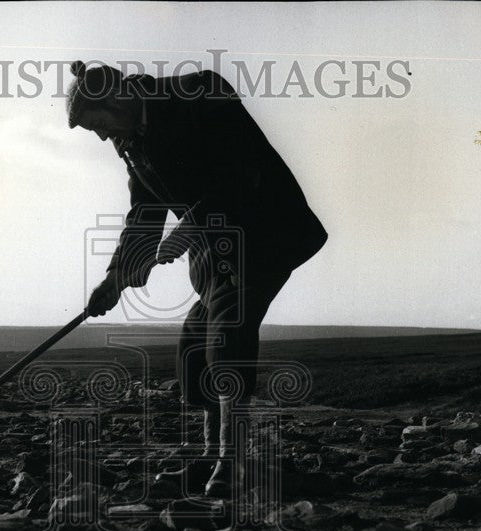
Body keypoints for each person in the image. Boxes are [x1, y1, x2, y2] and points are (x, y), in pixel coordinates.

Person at [67, 60, 327, 498]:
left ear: (118, 99)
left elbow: (244, 168)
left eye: (100, 126)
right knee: (194, 343)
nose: (103, 137)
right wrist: (113, 280)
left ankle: (234, 461)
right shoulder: (135, 142)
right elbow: (144, 215)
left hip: (264, 230)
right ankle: (212, 455)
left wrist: (189, 225)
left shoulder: (198, 93)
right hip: (214, 247)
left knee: (228, 331)